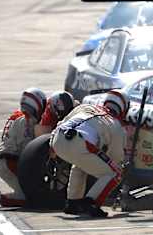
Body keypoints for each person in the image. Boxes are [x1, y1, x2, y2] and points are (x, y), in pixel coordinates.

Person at [50, 90, 128, 218]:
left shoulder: (85, 107)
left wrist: (52, 147)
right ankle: (92, 203)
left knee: (82, 162)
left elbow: (61, 124)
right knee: (116, 173)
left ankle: (72, 203)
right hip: (80, 143)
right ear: (123, 108)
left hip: (58, 140)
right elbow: (115, 158)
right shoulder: (116, 125)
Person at [0, 88, 47, 209]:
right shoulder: (28, 124)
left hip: (8, 160)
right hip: (9, 162)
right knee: (28, 197)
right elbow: (31, 152)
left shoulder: (24, 120)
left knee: (33, 193)